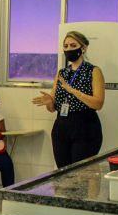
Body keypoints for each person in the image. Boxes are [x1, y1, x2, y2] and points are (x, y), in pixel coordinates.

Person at [33, 31, 105, 168]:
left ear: (83, 48)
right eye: (65, 46)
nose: (69, 49)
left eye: (73, 45)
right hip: (62, 126)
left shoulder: (94, 71)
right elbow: (52, 108)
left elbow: (98, 103)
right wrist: (49, 102)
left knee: (79, 174)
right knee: (63, 173)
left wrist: (72, 90)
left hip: (85, 126)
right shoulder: (62, 73)